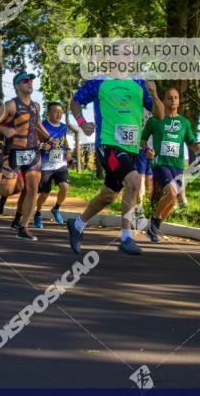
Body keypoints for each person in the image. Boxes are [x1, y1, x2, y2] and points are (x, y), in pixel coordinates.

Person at [66, 61, 163, 255]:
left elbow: (159, 115)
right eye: (120, 53)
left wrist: (154, 93)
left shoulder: (138, 83)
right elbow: (75, 101)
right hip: (108, 144)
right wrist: (82, 123)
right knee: (134, 182)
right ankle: (126, 237)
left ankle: (77, 224)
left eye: (128, 54)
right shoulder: (99, 81)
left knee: (108, 195)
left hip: (131, 149)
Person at [0, 72, 51, 241]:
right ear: (17, 86)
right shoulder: (11, 105)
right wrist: (4, 130)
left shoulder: (36, 106)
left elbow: (37, 126)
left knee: (33, 187)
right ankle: (0, 192)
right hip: (15, 152)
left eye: (31, 80)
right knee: (11, 189)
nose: (29, 83)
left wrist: (50, 138)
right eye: (25, 81)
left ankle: (24, 227)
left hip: (33, 152)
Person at [141, 87, 200, 243]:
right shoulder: (155, 120)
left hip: (177, 165)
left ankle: (154, 226)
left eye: (176, 97)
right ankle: (154, 222)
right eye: (169, 97)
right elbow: (142, 140)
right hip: (159, 162)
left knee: (174, 200)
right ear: (164, 101)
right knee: (170, 192)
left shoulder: (184, 122)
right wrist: (147, 150)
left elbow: (191, 141)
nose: (173, 100)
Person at [34, 101, 71, 227]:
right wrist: (44, 146)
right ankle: (38, 213)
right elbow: (36, 143)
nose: (59, 114)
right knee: (45, 193)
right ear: (49, 113)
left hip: (60, 163)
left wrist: (69, 150)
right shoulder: (42, 126)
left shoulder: (63, 126)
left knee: (65, 187)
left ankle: (56, 208)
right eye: (55, 111)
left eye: (61, 112)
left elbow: (64, 140)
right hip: (45, 165)